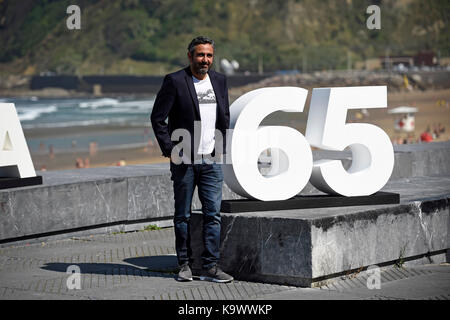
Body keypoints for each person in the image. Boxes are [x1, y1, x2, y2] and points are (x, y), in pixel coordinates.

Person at [150, 36, 233, 283]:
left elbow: (224, 116)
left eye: (208, 55)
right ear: (190, 56)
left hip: (211, 161)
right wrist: (171, 149)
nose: (204, 60)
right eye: (200, 55)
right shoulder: (175, 81)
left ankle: (210, 267)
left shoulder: (220, 81)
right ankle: (184, 265)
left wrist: (221, 146)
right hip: (184, 160)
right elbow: (158, 118)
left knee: (213, 215)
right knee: (183, 215)